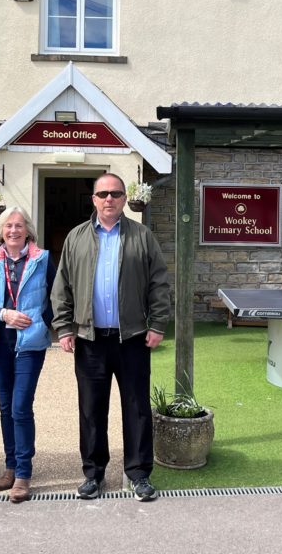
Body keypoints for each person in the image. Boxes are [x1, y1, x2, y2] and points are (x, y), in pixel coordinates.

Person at [51, 172, 171, 502]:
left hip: (131, 338)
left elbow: (159, 283)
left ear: (123, 199)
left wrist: (158, 324)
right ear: (93, 199)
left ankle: (138, 473)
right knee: (91, 410)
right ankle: (93, 474)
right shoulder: (76, 238)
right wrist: (63, 327)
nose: (109, 199)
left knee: (136, 408)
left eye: (116, 193)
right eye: (103, 193)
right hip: (90, 341)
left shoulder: (142, 236)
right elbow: (62, 287)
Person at [0, 207, 55, 502]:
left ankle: (23, 473)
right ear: (1, 231)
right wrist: (5, 314)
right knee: (6, 406)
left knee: (21, 407)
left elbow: (55, 298)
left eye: (19, 226)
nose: (14, 231)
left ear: (27, 230)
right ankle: (9, 466)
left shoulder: (43, 259)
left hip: (29, 343)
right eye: (8, 226)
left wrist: (42, 321)